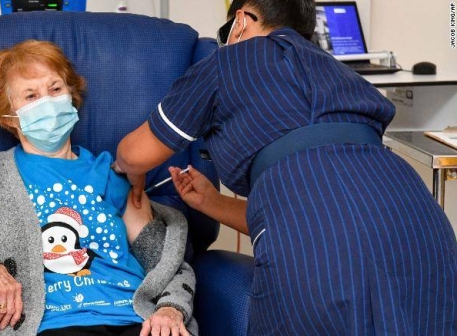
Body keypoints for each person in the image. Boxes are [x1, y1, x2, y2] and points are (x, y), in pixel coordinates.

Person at [114, 0, 457, 334]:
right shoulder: (339, 71)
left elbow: (136, 154)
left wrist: (128, 170)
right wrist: (211, 203)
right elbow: (336, 203)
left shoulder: (229, 60)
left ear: (241, 21)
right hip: (421, 227)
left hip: (318, 248)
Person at [0, 40, 198, 336]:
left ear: (71, 95)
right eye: (31, 96)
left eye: (56, 89)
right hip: (57, 324)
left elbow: (166, 262)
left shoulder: (111, 175)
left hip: (135, 318)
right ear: (9, 118)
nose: (47, 102)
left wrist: (171, 309)